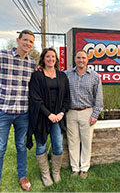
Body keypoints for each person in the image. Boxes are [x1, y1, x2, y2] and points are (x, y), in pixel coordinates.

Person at [27, 47, 70, 186]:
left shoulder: (62, 76)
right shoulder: (37, 76)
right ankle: (46, 175)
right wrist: (48, 114)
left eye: (53, 56)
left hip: (58, 118)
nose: (51, 59)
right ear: (43, 59)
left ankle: (56, 172)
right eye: (48, 56)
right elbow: (35, 98)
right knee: (41, 146)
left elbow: (67, 98)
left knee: (58, 146)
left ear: (56, 59)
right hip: (41, 117)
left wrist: (61, 113)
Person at [0, 29, 36, 191]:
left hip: (23, 113)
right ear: (18, 40)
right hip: (4, 111)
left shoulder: (32, 63)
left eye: (31, 41)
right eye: (25, 40)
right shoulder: (3, 56)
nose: (28, 43)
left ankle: (22, 176)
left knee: (21, 146)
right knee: (1, 147)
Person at [65, 49, 103, 179]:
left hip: (87, 112)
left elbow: (98, 98)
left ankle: (84, 168)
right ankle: (75, 168)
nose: (81, 60)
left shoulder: (95, 76)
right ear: (75, 59)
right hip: (70, 112)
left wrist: (95, 114)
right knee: (73, 141)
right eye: (78, 58)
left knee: (86, 142)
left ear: (87, 60)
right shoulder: (66, 74)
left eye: (83, 58)